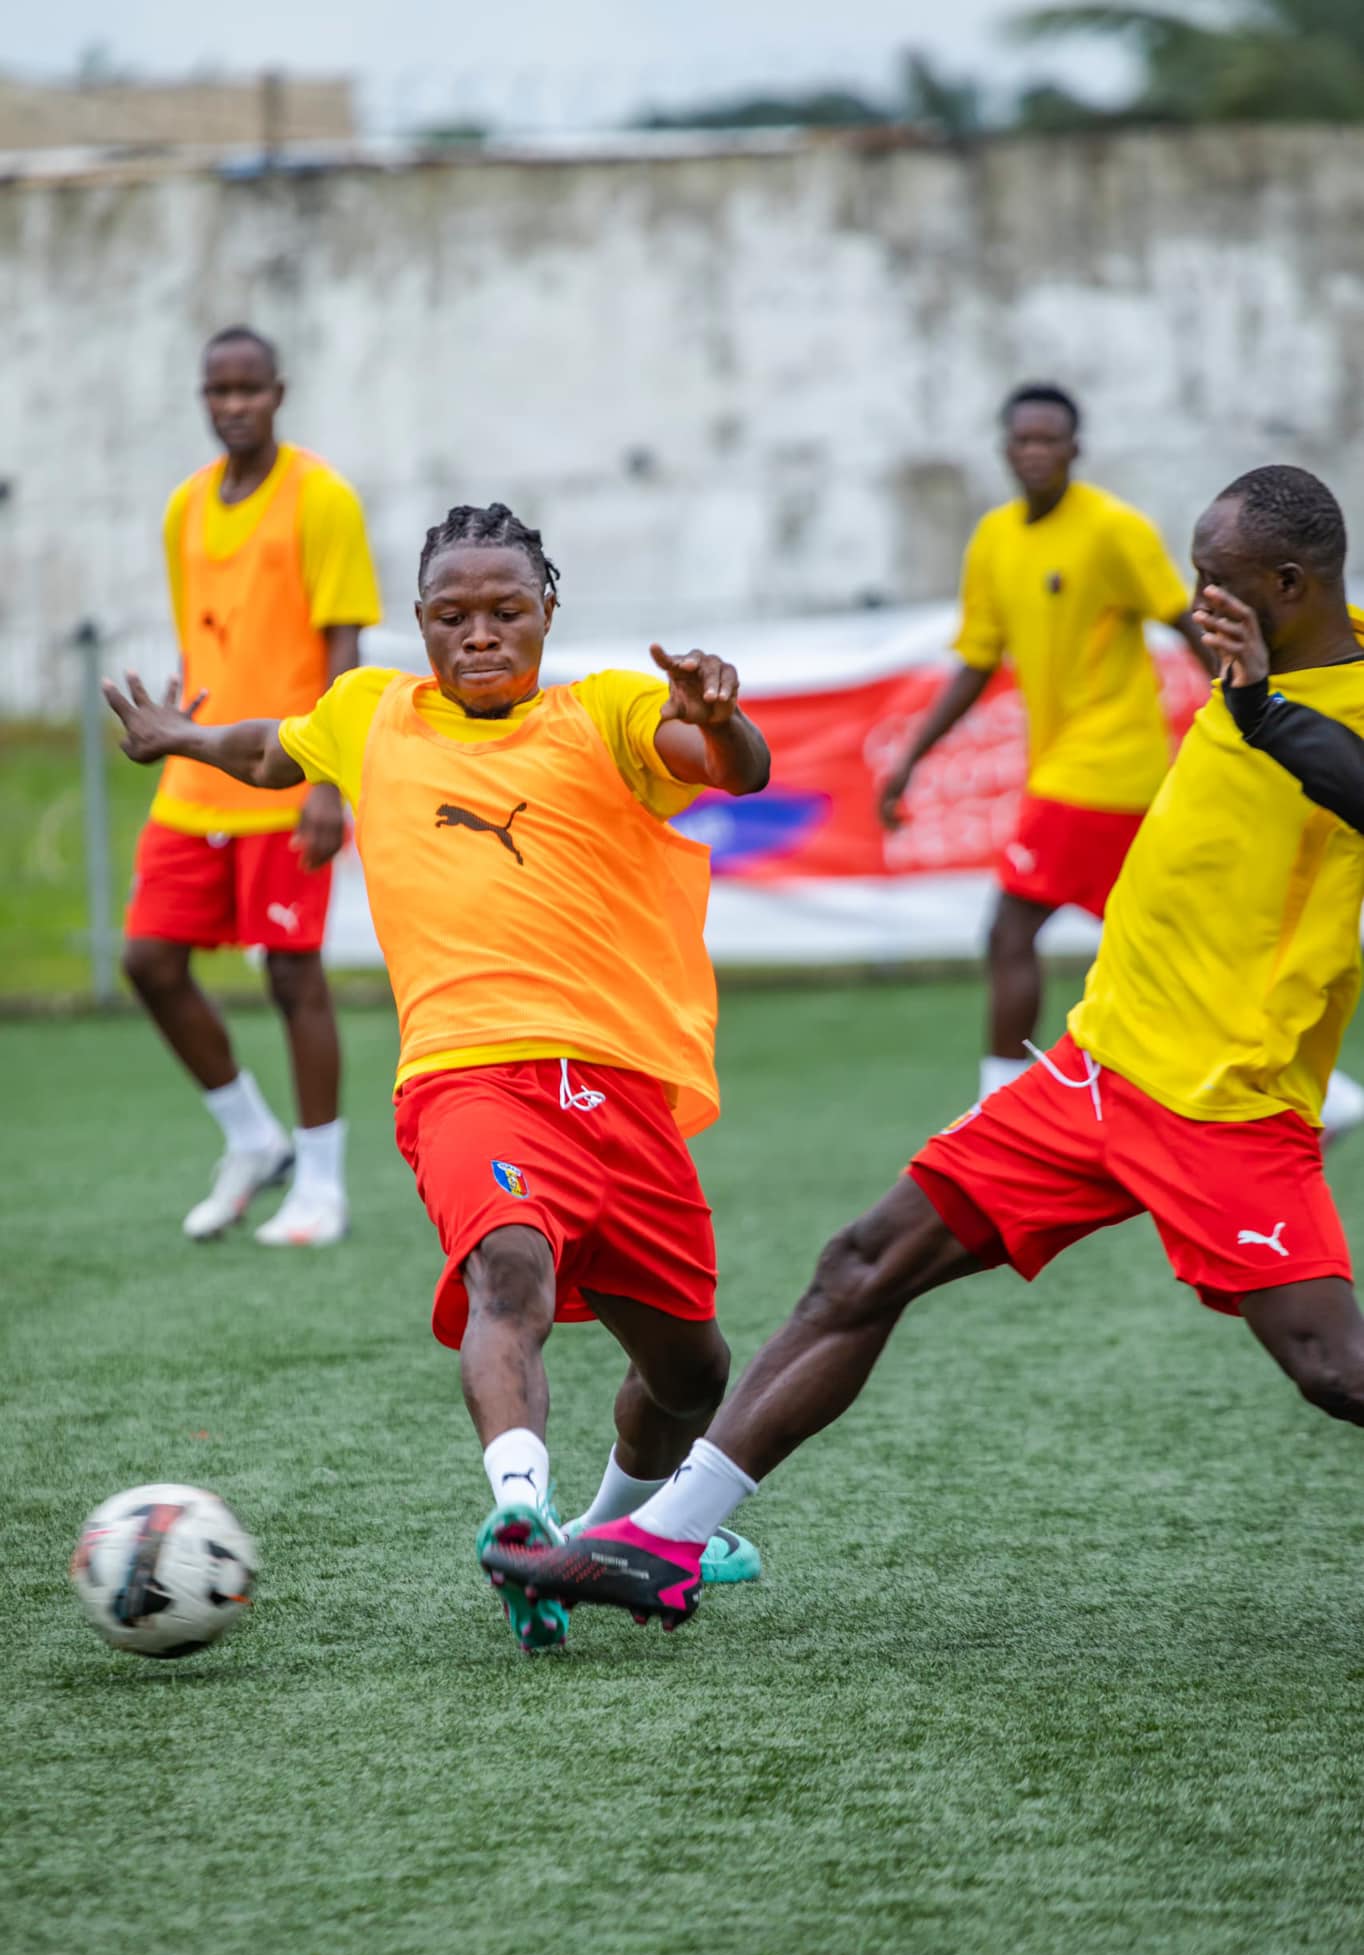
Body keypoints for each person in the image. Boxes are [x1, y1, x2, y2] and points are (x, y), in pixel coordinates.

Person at [485, 464, 1364, 1628]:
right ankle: (664, 1541)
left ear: (1291, 585)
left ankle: (662, 1535)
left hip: (1222, 1103)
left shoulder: (1297, 693)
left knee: (1329, 1367)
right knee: (861, 1264)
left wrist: (1254, 705)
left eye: (1218, 581)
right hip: (1092, 1073)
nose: (1195, 599)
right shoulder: (1250, 661)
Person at [104, 500, 771, 1650]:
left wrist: (727, 720)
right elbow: (273, 747)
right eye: (451, 614)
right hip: (465, 1076)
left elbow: (728, 767)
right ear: (416, 622)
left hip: (617, 1087)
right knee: (506, 1274)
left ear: (547, 612)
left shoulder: (604, 709)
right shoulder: (372, 710)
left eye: (506, 610)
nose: (478, 634)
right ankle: (516, 1508)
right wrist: (180, 738)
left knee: (689, 1373)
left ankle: (595, 1537)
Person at [879, 383, 1213, 1103]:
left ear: (1075, 450)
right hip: (1073, 770)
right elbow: (976, 660)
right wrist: (909, 760)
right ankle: (1317, 1095)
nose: (1035, 453)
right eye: (1022, 441)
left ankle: (997, 1107)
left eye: (1049, 441)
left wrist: (1253, 715)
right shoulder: (995, 539)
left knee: (1008, 928)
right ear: (1005, 449)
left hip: (1106, 765)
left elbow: (1183, 622)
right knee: (1160, 949)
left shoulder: (1114, 530)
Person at [123, 325, 382, 1247]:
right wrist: (172, 731)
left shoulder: (322, 498)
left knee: (291, 974)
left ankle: (322, 1184)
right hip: (199, 773)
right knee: (148, 960)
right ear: (204, 399)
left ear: (280, 392)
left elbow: (345, 643)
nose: (233, 406)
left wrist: (326, 778)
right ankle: (252, 1139)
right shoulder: (184, 507)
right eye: (217, 391)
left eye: (249, 389)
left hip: (285, 774)